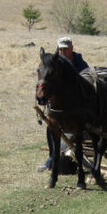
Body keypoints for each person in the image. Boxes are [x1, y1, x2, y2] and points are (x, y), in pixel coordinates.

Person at [37, 37, 89, 172]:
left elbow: (86, 79)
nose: (63, 51)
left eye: (66, 48)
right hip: (60, 107)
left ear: (72, 48)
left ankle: (56, 161)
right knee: (51, 129)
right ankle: (51, 159)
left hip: (77, 107)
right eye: (60, 49)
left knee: (74, 133)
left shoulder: (79, 62)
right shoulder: (54, 63)